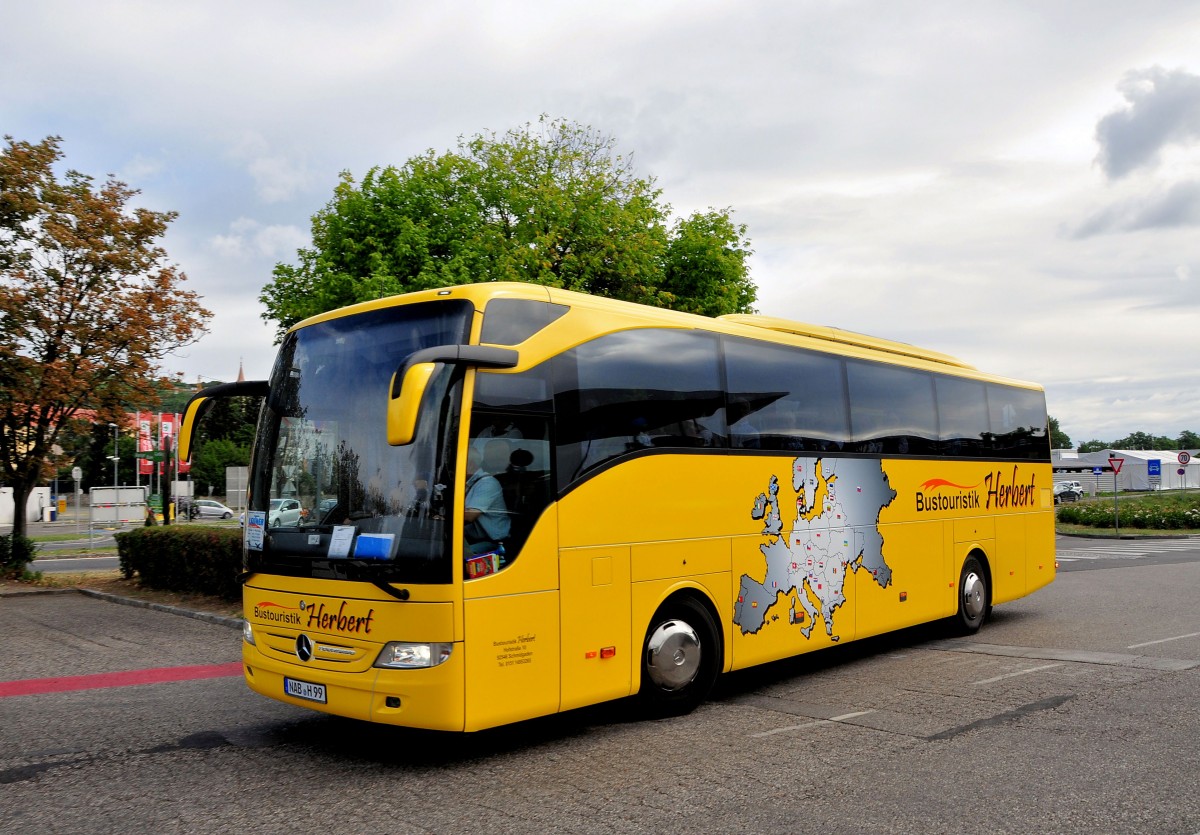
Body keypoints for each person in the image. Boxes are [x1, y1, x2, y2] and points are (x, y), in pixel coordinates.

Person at [463, 441, 510, 554]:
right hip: (474, 538)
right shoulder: (470, 483)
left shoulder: (487, 483)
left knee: (453, 556)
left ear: (470, 465)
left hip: (492, 543)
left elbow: (470, 515)